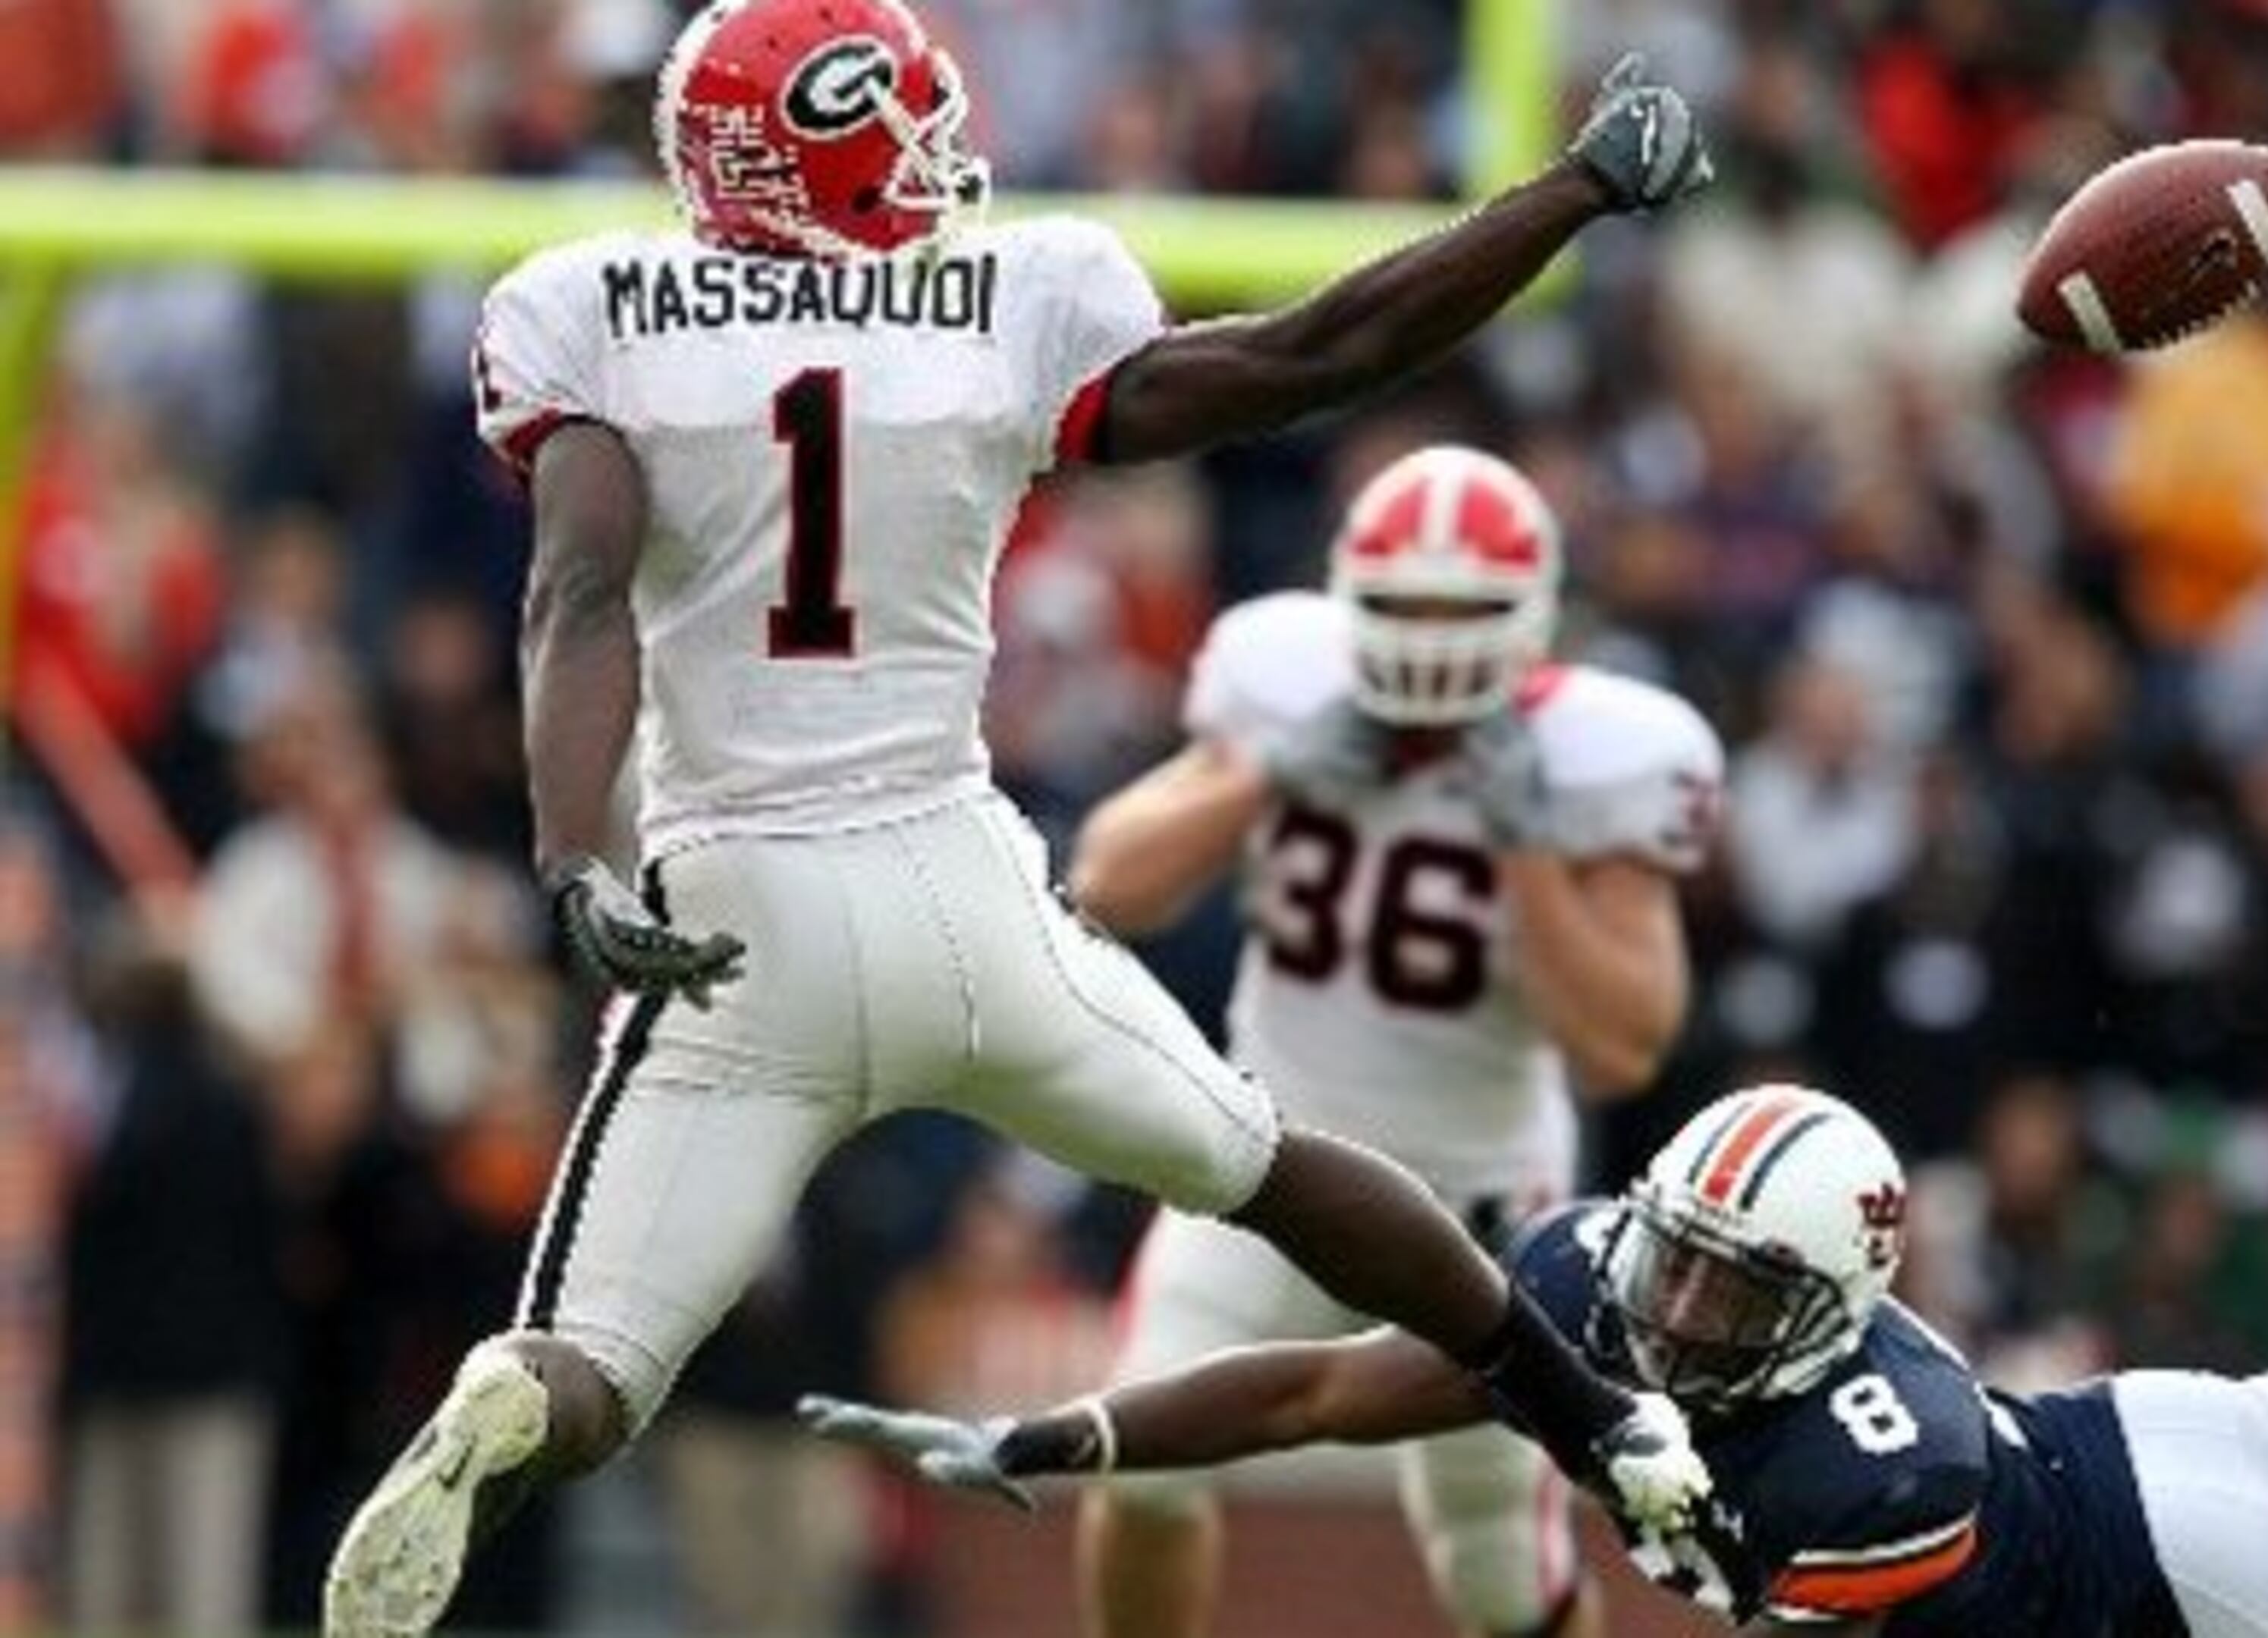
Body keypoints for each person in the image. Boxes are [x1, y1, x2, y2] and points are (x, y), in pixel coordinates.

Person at [318, 1, 1721, 1632]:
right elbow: (1316, 354)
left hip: (738, 926)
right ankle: (1590, 1410)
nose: (933, 148)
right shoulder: (998, 306)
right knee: (1269, 1168)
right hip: (962, 900)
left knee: (596, 1366)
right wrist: (1568, 193)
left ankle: (519, 1397)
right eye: (898, 120)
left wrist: (573, 855)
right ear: (813, 152)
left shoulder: (601, 317)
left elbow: (575, 595)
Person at [805, 970, 2268, 1637]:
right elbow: (1321, 1396)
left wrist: (1682, 1506)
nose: (1671, 1304)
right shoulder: (1605, 1285)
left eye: (1729, 1287)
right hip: (2164, 1434)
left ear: (1832, 1304)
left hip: (2178, 1576)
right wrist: (1071, 1435)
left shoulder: (1866, 1458)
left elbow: (1821, 1584)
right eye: (1676, 1254)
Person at [1069, 443, 1725, 1638]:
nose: (1428, 635)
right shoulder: (1287, 688)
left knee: (1501, 1580)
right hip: (1268, 1166)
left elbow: (1624, 1048)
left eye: (1459, 610)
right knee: (1140, 1462)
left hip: (1482, 1208)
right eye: (1402, 604)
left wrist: (1526, 846)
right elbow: (1108, 882)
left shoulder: (1594, 755)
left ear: (1529, 613)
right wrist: (1266, 777)